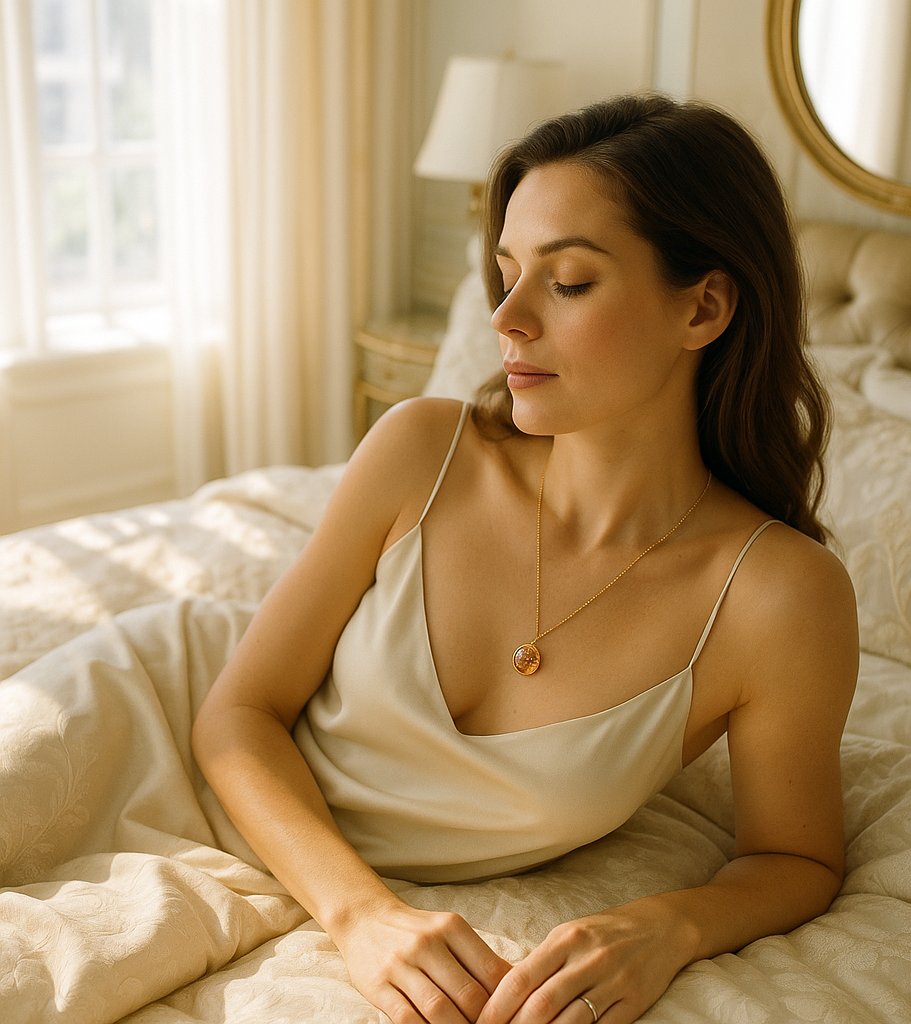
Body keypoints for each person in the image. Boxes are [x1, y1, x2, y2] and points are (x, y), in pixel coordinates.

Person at [192, 92, 859, 1024]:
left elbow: (794, 858)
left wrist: (667, 925)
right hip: (172, 758)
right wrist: (361, 915)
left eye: (569, 282)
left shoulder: (777, 598)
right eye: (506, 274)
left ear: (703, 307)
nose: (505, 317)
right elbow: (237, 715)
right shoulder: (422, 450)